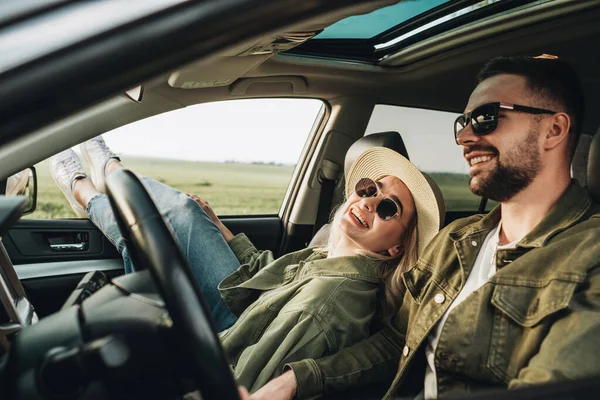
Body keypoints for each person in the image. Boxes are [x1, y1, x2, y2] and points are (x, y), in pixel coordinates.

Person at [251, 55, 600, 400]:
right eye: (463, 122)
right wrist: (297, 380)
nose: (464, 137)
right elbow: (397, 340)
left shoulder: (589, 255)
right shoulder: (456, 238)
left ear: (553, 129)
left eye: (485, 117)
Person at [49, 139, 445, 393]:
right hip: (245, 315)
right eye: (369, 189)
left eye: (389, 208)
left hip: (224, 349)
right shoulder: (330, 255)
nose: (370, 203)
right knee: (187, 212)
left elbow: (247, 380)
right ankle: (106, 176)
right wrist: (222, 229)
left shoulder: (328, 303)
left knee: (156, 231)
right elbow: (271, 275)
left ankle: (92, 185)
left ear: (397, 248)